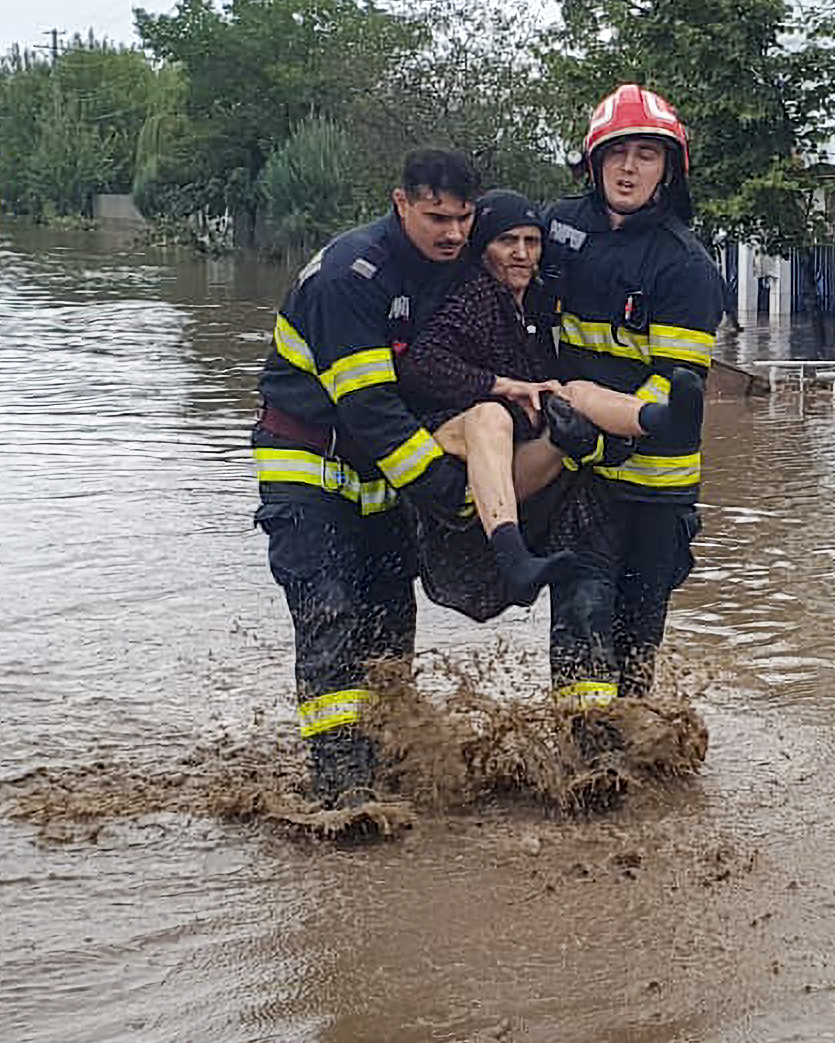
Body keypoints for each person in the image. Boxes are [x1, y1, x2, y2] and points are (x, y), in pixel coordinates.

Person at [253, 148, 480, 811]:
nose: (454, 233)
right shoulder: (351, 276)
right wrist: (446, 490)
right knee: (329, 615)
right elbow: (371, 408)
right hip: (308, 467)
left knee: (390, 623)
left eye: (464, 219)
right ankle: (342, 788)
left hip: (380, 477)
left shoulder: (449, 269)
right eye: (438, 216)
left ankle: (389, 760)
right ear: (400, 202)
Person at [539, 85, 725, 801]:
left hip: (658, 489)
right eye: (617, 153)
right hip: (580, 480)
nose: (629, 168)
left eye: (646, 154)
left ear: (668, 169)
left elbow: (675, 395)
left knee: (635, 642)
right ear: (593, 163)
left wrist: (604, 422)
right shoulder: (554, 229)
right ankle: (588, 776)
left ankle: (632, 755)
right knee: (580, 622)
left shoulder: (685, 267)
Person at [397, 189, 703, 620]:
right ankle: (513, 557)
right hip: (455, 453)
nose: (522, 254)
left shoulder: (539, 303)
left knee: (574, 392)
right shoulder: (471, 299)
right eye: (507, 242)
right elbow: (421, 366)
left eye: (532, 242)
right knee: (492, 417)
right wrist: (500, 386)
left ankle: (660, 419)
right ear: (483, 248)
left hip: (516, 459)